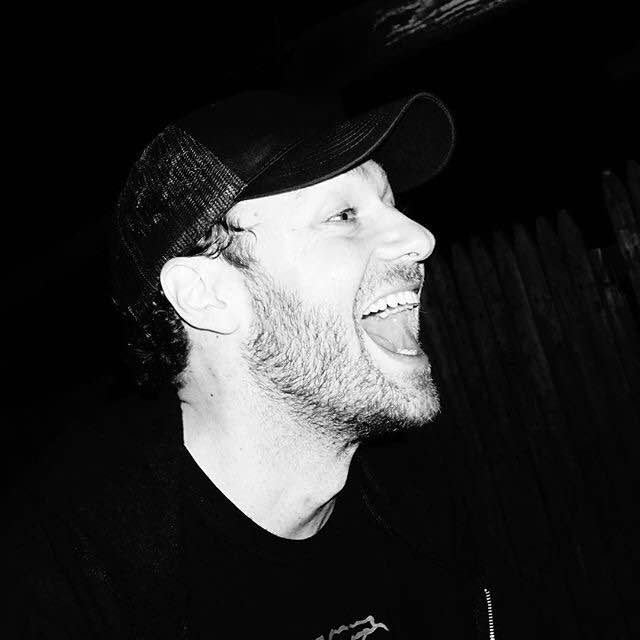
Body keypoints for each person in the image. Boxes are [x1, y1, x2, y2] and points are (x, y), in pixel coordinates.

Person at [10, 90, 501, 638]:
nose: (420, 238)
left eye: (391, 203)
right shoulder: (65, 583)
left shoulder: (423, 501)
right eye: (344, 215)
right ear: (206, 295)